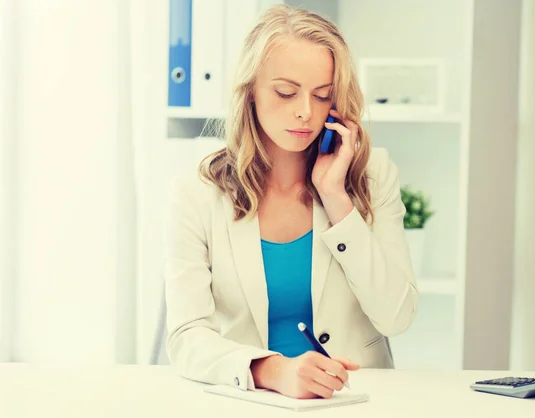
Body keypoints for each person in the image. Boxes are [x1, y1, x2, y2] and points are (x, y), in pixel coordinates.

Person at [163, 4, 418, 399]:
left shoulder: (372, 174)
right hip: (251, 400)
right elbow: (186, 335)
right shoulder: (197, 191)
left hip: (355, 402)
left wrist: (336, 197)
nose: (305, 112)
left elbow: (396, 316)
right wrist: (272, 370)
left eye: (321, 96)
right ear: (249, 92)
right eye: (285, 92)